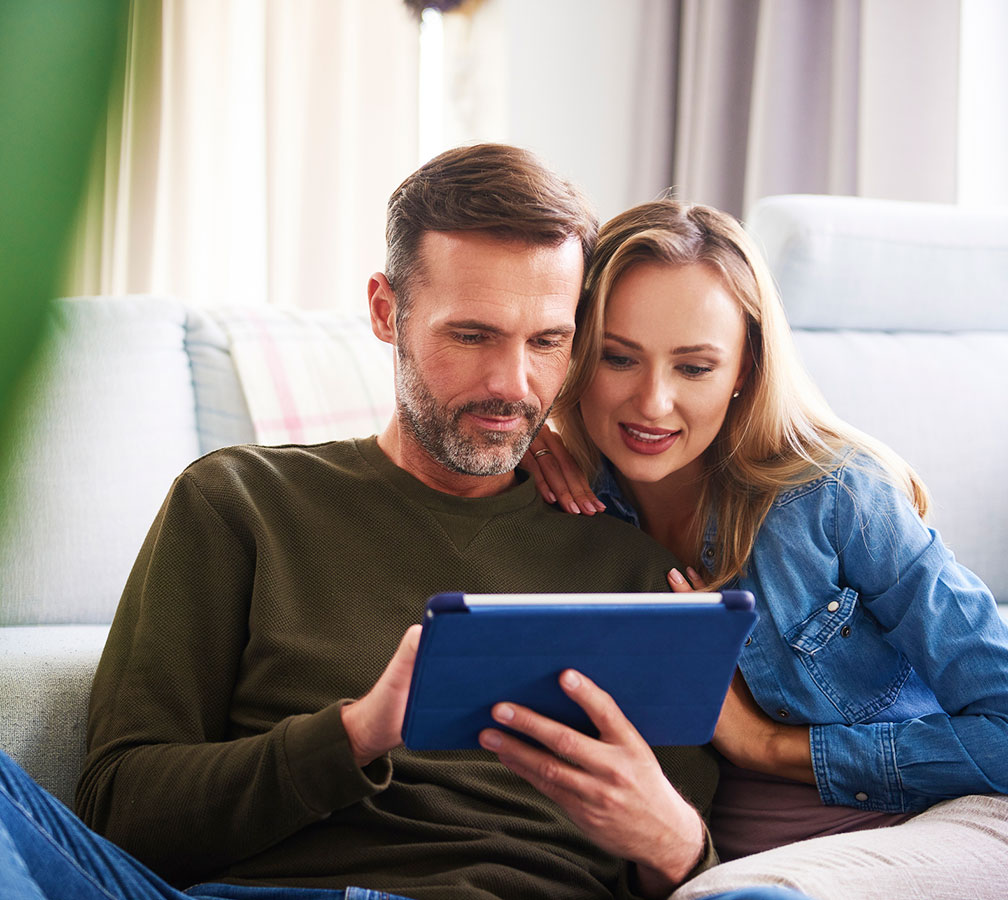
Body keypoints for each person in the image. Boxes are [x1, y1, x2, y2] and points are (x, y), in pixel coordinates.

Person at [0, 145, 814, 900]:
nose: (512, 382)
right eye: (472, 334)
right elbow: (115, 811)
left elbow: (684, 865)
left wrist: (676, 844)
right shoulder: (239, 504)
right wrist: (357, 734)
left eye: (549, 341)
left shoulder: (637, 574)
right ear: (386, 311)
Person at [524, 198, 1008, 898]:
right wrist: (518, 438)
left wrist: (767, 745)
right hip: (707, 863)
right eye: (618, 357)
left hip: (913, 829)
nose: (651, 403)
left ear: (745, 367)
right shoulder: (566, 498)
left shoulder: (836, 498)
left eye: (694, 368)